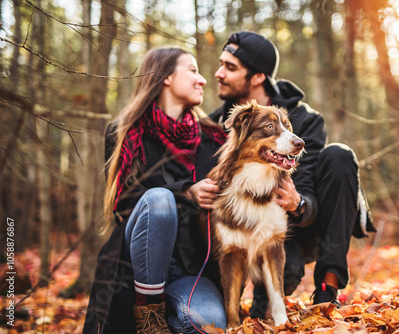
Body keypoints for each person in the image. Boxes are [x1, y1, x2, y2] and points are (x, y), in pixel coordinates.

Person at [210, 31, 376, 317]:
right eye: (221, 64)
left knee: (340, 155)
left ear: (258, 76)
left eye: (230, 67)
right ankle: (254, 302)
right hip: (243, 228)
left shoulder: (306, 120)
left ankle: (328, 289)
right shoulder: (217, 124)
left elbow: (309, 190)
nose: (218, 73)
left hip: (297, 228)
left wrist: (298, 203)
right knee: (271, 291)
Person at [83, 47, 228, 334]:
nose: (203, 80)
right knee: (159, 200)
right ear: (166, 77)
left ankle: (162, 322)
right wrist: (185, 192)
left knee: (207, 326)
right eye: (193, 70)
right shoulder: (125, 131)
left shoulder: (213, 138)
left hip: (189, 271)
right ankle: (149, 314)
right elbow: (122, 204)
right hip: (134, 269)